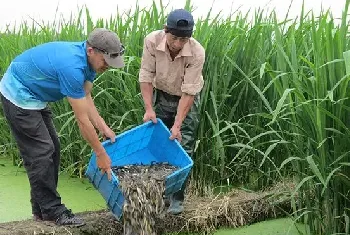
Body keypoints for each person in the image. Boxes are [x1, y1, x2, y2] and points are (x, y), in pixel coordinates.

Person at [0, 28, 124, 226]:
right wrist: (100, 154)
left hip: (36, 97)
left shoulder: (90, 63)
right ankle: (52, 211)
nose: (107, 67)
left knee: (53, 148)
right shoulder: (72, 67)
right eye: (106, 62)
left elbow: (86, 96)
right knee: (41, 152)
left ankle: (41, 209)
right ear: (91, 50)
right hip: (18, 94)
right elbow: (82, 120)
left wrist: (103, 127)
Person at [139, 9, 205, 215]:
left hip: (186, 99)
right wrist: (149, 109)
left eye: (183, 39)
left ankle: (176, 198)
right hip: (162, 94)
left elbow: (189, 91)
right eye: (174, 37)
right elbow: (146, 75)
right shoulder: (152, 41)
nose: (178, 44)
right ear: (166, 30)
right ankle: (157, 195)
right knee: (158, 143)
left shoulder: (197, 52)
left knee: (183, 145)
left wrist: (177, 126)